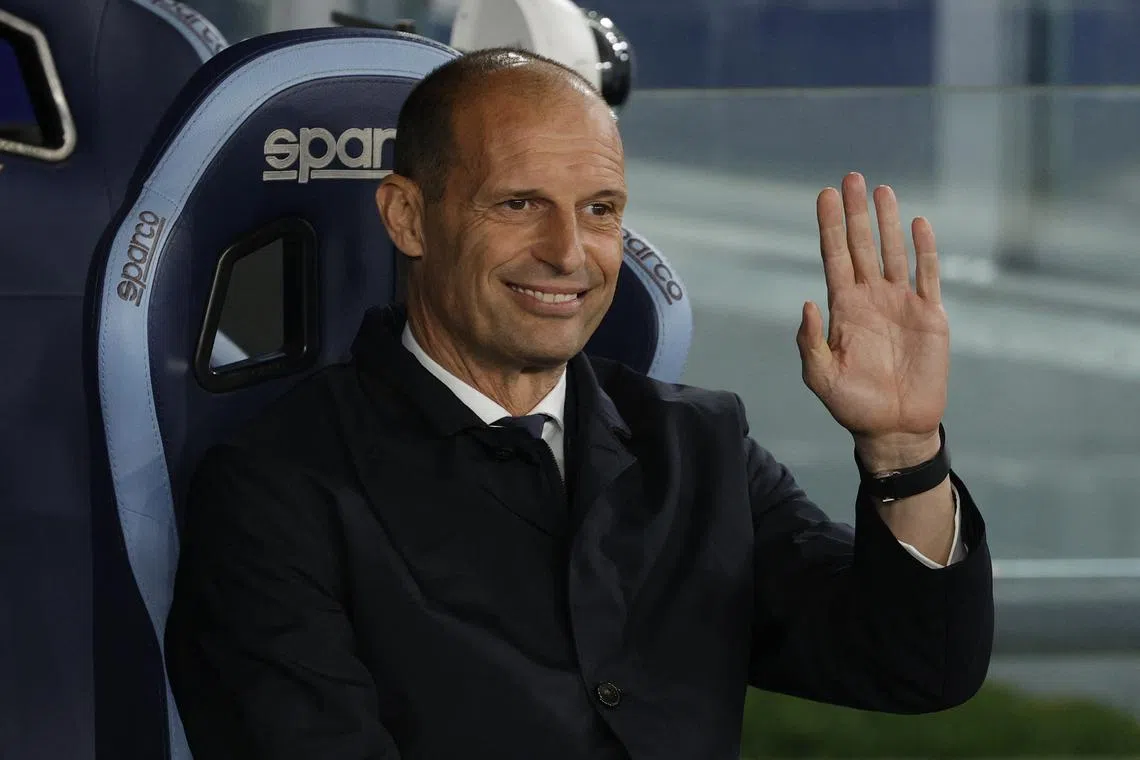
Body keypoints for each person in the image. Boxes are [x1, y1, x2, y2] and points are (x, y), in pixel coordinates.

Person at [165, 49, 993, 760]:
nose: (568, 254)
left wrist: (903, 447)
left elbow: (915, 666)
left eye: (600, 211)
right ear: (409, 216)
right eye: (518, 204)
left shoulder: (699, 444)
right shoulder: (274, 486)